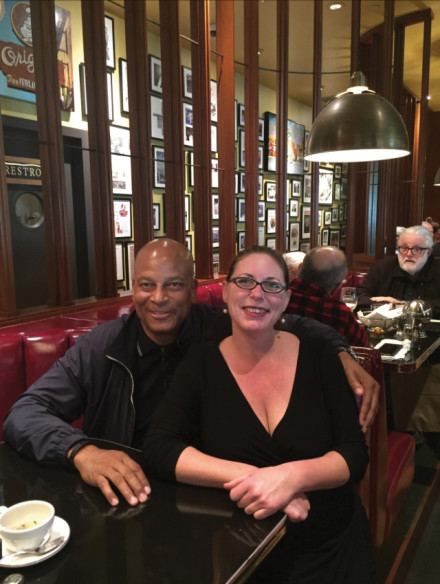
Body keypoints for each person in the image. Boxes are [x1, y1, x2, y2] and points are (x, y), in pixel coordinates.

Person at [3, 239, 379, 508]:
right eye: (146, 285)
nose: (159, 298)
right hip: (128, 497)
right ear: (132, 288)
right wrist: (80, 451)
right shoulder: (103, 347)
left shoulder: (217, 329)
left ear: (194, 290)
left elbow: (291, 322)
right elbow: (24, 413)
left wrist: (340, 350)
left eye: (174, 285)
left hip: (212, 496)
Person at [143, 245, 379, 584]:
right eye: (245, 281)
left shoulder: (320, 355)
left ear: (285, 299)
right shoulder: (202, 363)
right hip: (245, 554)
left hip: (333, 548)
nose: (257, 294)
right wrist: (256, 478)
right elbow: (159, 447)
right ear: (225, 292)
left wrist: (292, 478)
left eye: (272, 285)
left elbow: (354, 454)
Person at [286, 246, 369, 347]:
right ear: (339, 285)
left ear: (299, 268)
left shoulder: (274, 299)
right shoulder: (340, 314)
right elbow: (364, 347)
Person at [357, 225, 440, 317]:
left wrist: (405, 305)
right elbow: (359, 297)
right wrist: (389, 304)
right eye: (404, 248)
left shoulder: (437, 269)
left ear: (429, 252)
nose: (409, 254)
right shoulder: (382, 268)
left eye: (417, 249)